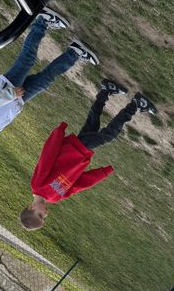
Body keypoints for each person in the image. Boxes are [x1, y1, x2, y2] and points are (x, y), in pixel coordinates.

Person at [0, 9, 98, 180]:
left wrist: (10, 94)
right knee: (45, 80)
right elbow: (0, 122)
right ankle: (74, 53)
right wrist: (15, 104)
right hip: (15, 100)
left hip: (6, 91)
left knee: (27, 59)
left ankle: (42, 21)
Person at [19, 81, 157, 230]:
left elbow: (46, 158)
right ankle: (106, 90)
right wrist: (103, 173)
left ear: (31, 207)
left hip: (73, 148)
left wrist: (58, 133)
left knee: (108, 135)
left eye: (40, 215)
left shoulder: (37, 185)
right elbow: (79, 185)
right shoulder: (55, 197)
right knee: (93, 124)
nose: (45, 214)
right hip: (81, 154)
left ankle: (136, 104)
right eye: (44, 218)